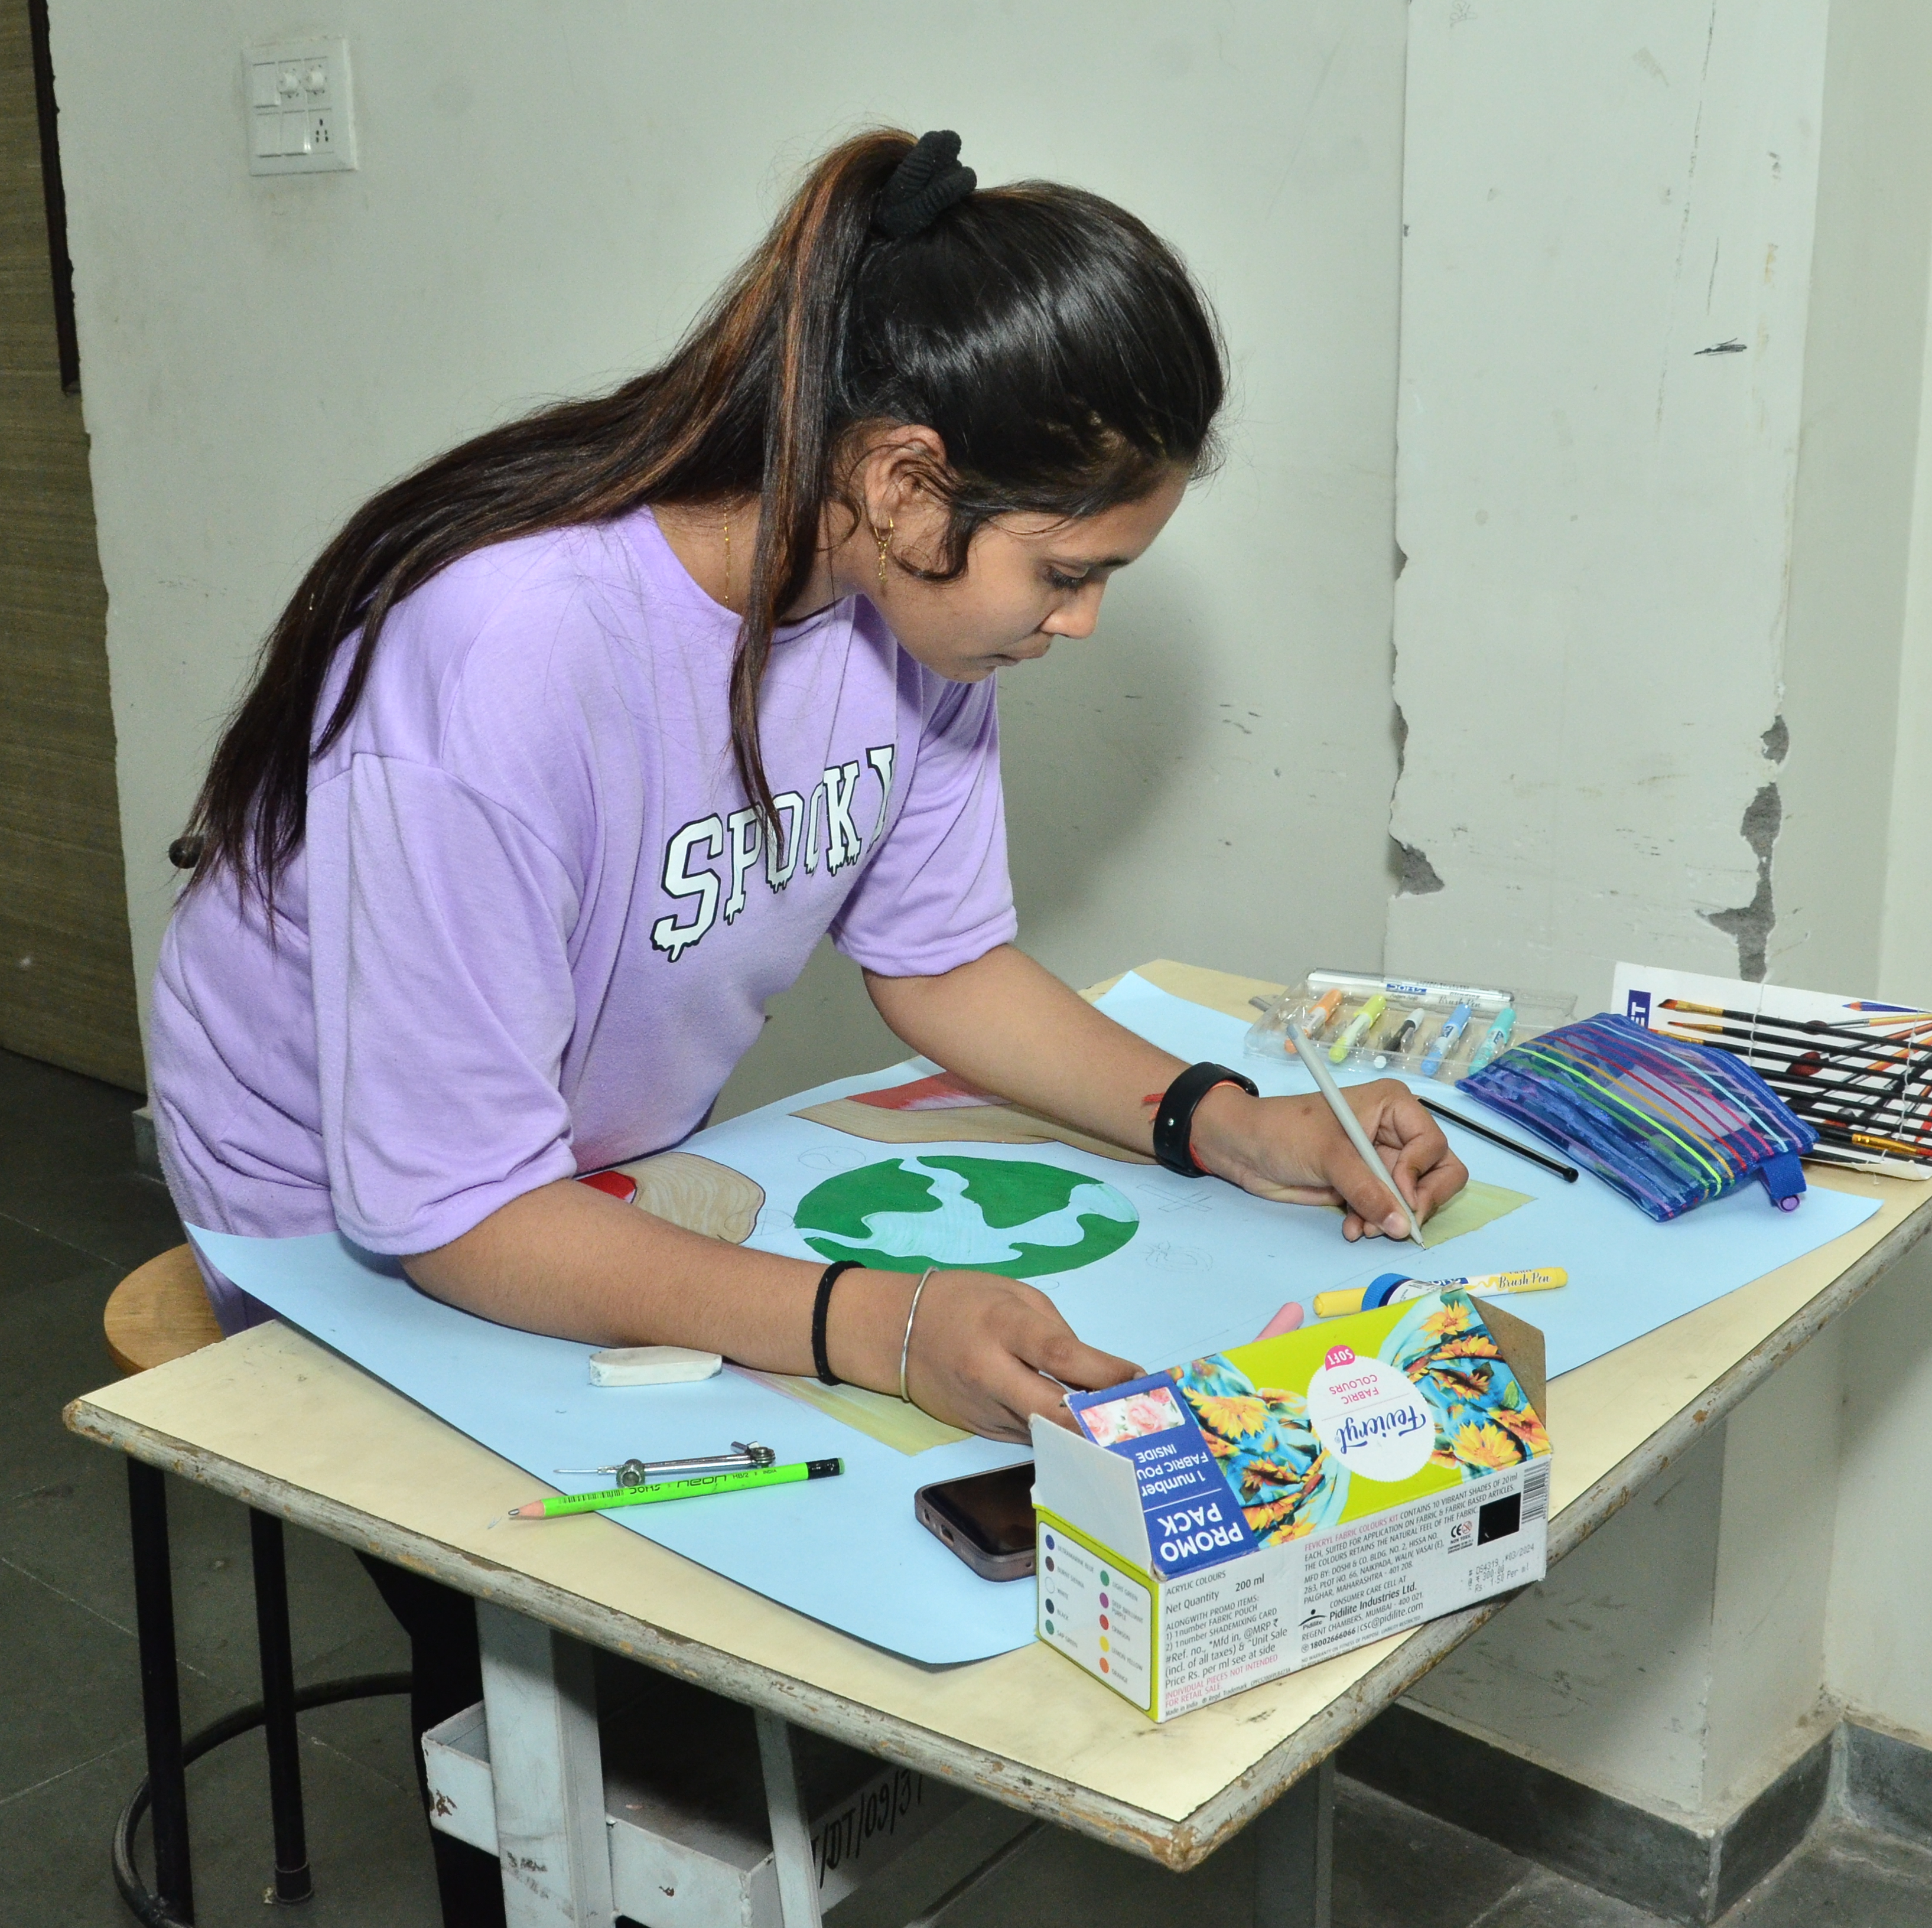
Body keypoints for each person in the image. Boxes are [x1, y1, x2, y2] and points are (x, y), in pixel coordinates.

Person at [148, 126, 1463, 1924]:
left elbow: (945, 967)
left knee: (771, 1606)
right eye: (1065, 571)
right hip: (341, 1210)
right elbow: (445, 1210)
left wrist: (1240, 1123)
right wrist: (883, 1327)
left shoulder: (903, 616)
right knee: (562, 1672)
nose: (1080, 623)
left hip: (561, 1164)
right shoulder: (510, 651)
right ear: (908, 478)